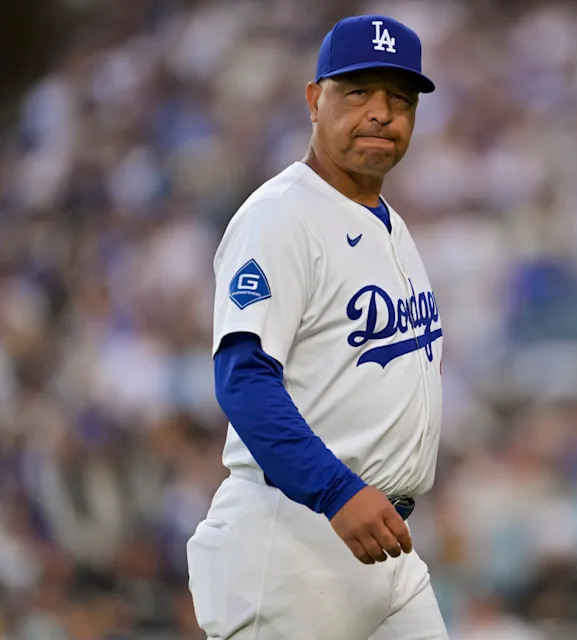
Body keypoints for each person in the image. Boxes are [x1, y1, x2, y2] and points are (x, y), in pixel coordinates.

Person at [186, 14, 447, 639]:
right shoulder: (281, 216)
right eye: (358, 93)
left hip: (385, 543)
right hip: (295, 533)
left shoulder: (389, 223)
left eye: (399, 99)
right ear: (314, 100)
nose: (382, 113)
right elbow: (243, 378)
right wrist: (334, 491)